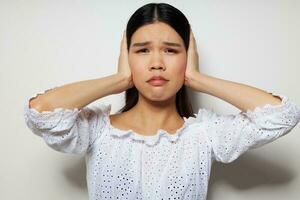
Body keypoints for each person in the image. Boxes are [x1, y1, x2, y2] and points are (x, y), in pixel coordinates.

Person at [23, 3, 300, 200]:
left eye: (170, 50)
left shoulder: (204, 135)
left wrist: (197, 78)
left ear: (187, 56)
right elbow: (40, 112)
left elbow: (283, 115)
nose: (156, 63)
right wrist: (119, 79)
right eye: (142, 50)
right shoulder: (96, 130)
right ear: (126, 56)